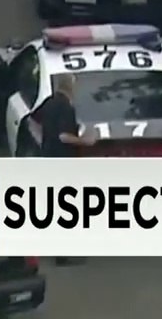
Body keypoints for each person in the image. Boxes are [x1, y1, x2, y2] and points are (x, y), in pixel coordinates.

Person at [32, 74, 97, 266]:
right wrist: (85, 141)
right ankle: (62, 254)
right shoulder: (66, 107)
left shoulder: (49, 102)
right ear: (70, 87)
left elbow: (33, 120)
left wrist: (43, 140)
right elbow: (63, 136)